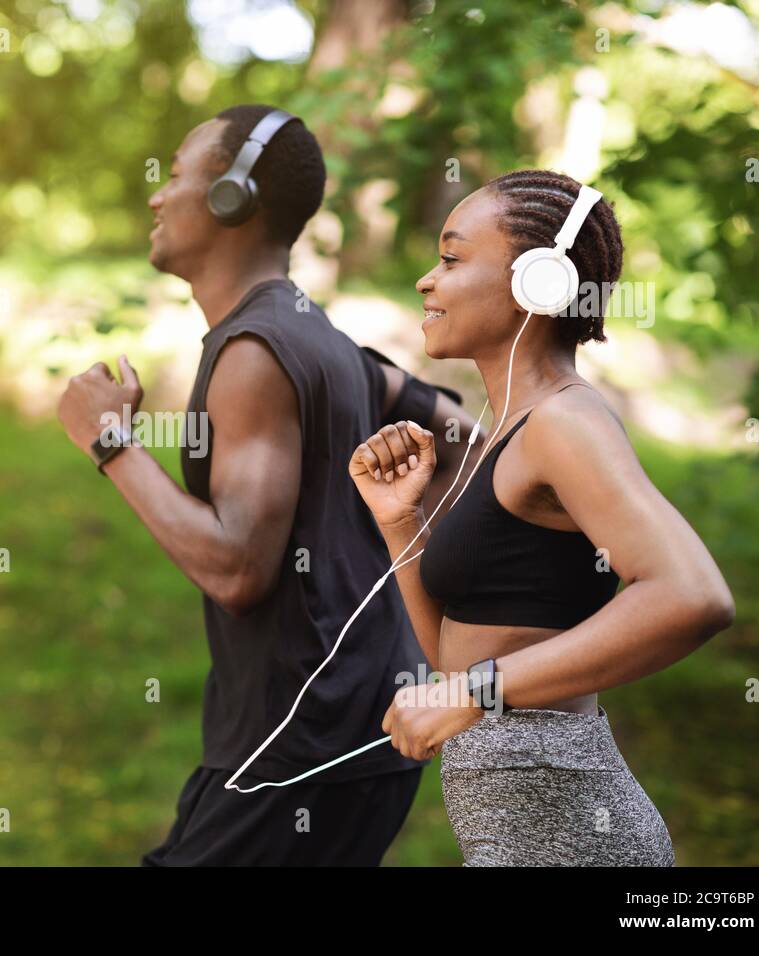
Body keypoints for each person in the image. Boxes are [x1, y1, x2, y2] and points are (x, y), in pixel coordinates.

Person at [57, 104, 478, 865]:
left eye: (178, 175)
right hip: (351, 730)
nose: (157, 195)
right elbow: (459, 431)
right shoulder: (321, 339)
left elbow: (237, 567)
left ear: (233, 196)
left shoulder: (257, 350)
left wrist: (110, 442)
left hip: (301, 744)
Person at [350, 169, 736, 865]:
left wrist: (475, 691)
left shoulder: (566, 421)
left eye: (450, 258)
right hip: (518, 831)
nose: (424, 282)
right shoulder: (510, 429)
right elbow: (451, 660)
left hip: (571, 835)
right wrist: (400, 522)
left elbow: (694, 595)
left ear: (540, 283)